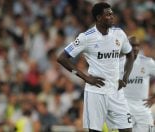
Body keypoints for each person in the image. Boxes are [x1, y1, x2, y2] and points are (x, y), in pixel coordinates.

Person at [57, 2, 134, 132]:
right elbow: (62, 58)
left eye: (112, 14)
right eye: (108, 15)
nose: (112, 17)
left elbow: (130, 55)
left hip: (116, 92)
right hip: (96, 92)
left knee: (127, 129)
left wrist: (125, 78)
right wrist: (86, 78)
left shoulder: (119, 34)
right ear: (98, 18)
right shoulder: (86, 37)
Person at [120, 36, 155, 132]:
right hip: (125, 107)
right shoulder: (118, 63)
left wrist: (154, 97)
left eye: (137, 46)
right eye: (132, 45)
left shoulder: (147, 62)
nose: (135, 48)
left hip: (143, 108)